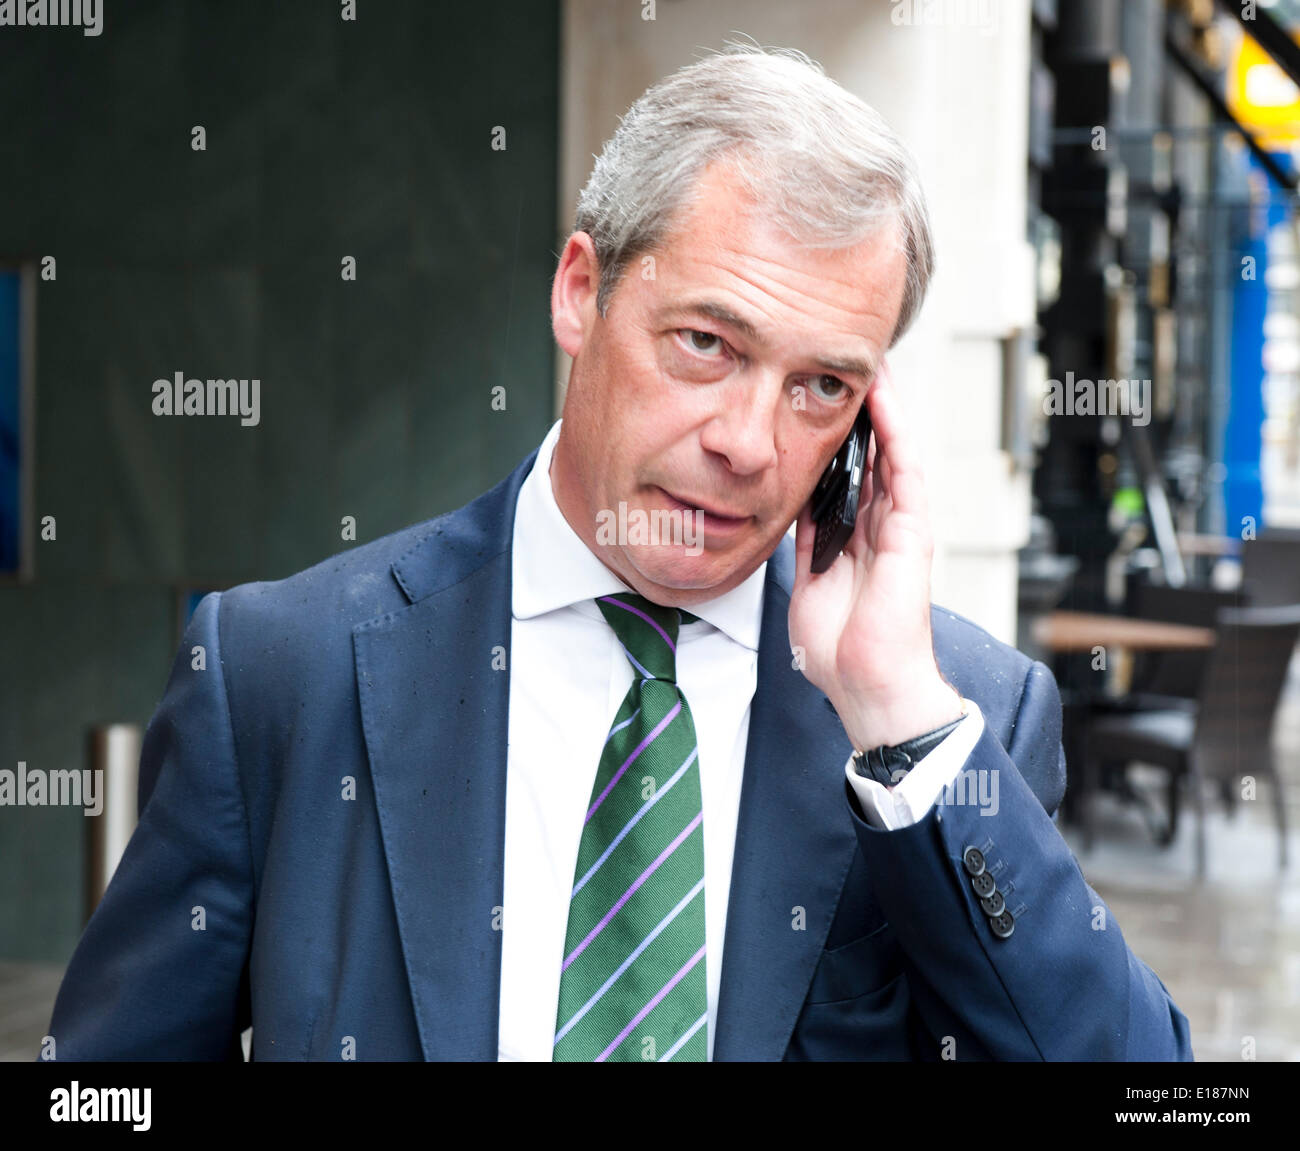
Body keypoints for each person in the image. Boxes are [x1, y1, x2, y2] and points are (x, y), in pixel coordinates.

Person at [45, 44, 1191, 1062]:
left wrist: (897, 726)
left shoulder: (957, 720)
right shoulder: (280, 671)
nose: (747, 442)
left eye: (819, 385)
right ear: (580, 291)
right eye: (705, 341)